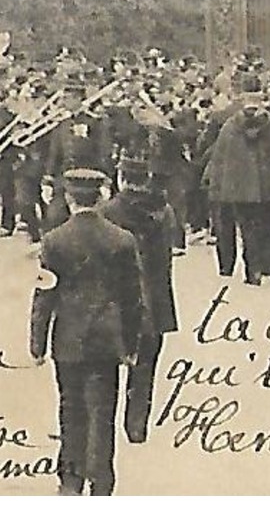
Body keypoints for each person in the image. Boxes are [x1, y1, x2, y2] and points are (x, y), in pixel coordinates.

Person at [29, 169, 145, 496]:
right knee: (103, 410)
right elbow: (133, 299)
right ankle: (102, 481)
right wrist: (131, 343)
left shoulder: (54, 241)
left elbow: (44, 294)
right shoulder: (122, 239)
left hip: (67, 338)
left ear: (68, 199)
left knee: (70, 407)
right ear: (101, 197)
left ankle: (70, 479)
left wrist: (37, 343)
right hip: (107, 339)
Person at [99, 159, 179, 444]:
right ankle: (136, 426)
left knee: (105, 370)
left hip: (116, 301)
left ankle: (105, 425)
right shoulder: (165, 211)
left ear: (122, 178)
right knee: (145, 368)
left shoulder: (107, 212)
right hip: (155, 301)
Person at [199, 76, 270, 285]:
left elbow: (222, 159)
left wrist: (221, 189)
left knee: (248, 231)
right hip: (269, 189)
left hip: (240, 190)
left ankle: (253, 272)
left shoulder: (230, 126)